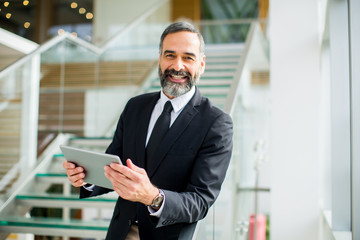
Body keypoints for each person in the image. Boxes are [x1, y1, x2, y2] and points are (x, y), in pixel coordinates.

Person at [63, 21, 233, 240]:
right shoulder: (135, 107)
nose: (177, 66)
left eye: (188, 57)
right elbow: (114, 165)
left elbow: (200, 201)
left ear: (201, 64)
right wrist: (86, 177)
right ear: (160, 59)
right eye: (169, 55)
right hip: (119, 232)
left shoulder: (217, 123)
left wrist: (153, 196)